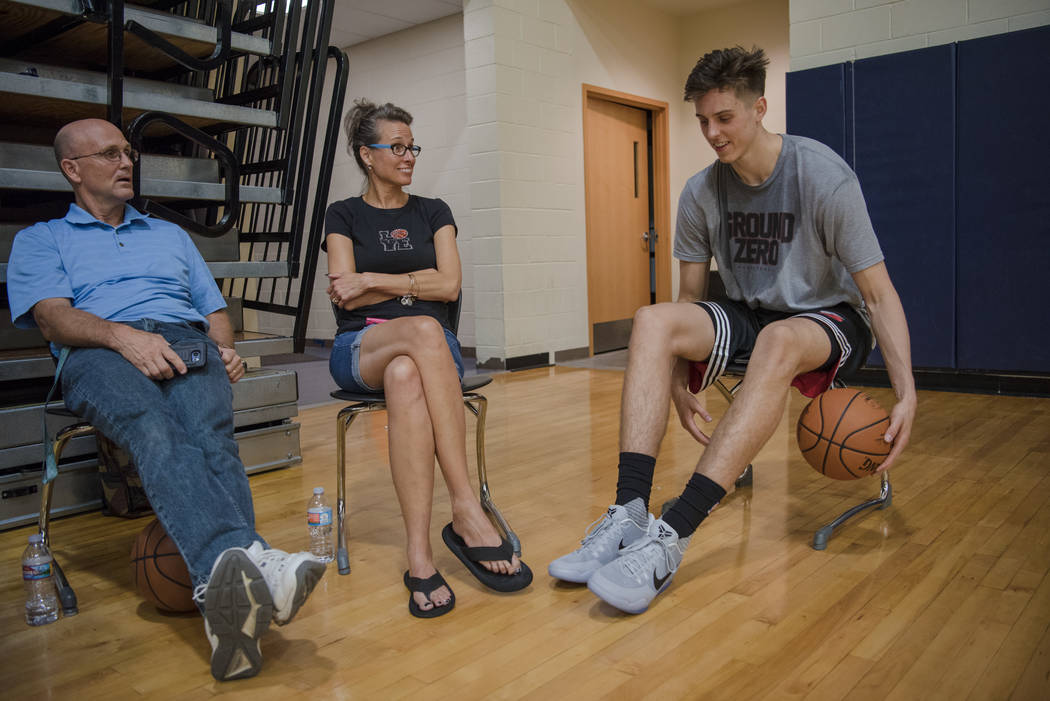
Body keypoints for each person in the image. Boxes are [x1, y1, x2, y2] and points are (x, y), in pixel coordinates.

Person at [549, 47, 916, 614]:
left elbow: (878, 292)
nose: (712, 133)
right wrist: (678, 380)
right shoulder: (700, 191)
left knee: (780, 339)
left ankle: (673, 537)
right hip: (750, 310)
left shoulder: (822, 175)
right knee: (652, 318)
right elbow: (690, 301)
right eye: (702, 120)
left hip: (831, 317)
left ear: (759, 107)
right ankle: (628, 514)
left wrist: (907, 394)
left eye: (724, 118)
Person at [7, 119, 326, 681]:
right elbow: (53, 318)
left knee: (211, 440)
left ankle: (228, 610)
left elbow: (215, 311)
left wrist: (225, 351)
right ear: (72, 169)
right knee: (153, 428)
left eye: (128, 151)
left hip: (185, 340)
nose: (126, 161)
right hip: (97, 350)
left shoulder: (170, 235)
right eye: (109, 153)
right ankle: (255, 562)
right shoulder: (41, 238)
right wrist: (122, 335)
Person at [324, 99, 532, 618]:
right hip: (360, 346)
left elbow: (452, 282)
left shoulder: (434, 211)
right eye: (396, 146)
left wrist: (373, 279)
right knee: (419, 330)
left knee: (405, 370)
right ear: (366, 155)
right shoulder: (342, 215)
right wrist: (417, 289)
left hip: (423, 356)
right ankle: (466, 506)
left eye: (411, 145)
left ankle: (419, 556)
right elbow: (345, 298)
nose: (408, 154)